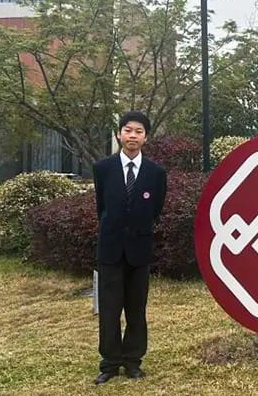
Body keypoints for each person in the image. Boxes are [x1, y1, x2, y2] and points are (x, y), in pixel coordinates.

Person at [93, 112, 167, 385]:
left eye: (138, 131)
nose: (132, 136)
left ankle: (133, 361)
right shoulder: (102, 168)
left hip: (139, 250)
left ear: (146, 137)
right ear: (118, 134)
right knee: (110, 310)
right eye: (128, 130)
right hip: (110, 250)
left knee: (137, 309)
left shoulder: (156, 173)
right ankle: (110, 364)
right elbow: (102, 207)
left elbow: (155, 209)